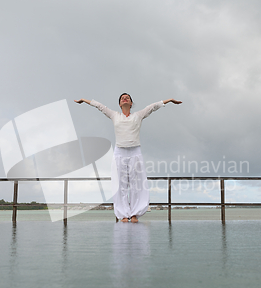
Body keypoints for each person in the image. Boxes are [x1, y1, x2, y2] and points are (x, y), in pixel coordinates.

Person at [74, 94, 182, 223]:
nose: (125, 99)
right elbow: (100, 106)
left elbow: (152, 107)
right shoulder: (114, 115)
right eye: (122, 98)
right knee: (120, 185)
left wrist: (169, 100)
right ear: (120, 104)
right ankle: (124, 214)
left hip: (135, 151)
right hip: (119, 152)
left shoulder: (138, 115)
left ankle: (135, 214)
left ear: (131, 103)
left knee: (137, 184)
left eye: (127, 98)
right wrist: (83, 100)